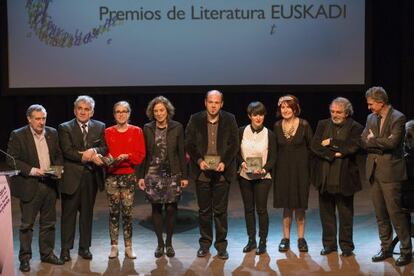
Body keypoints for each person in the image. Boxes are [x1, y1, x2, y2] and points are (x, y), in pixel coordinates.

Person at [7, 104, 64, 272]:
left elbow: (59, 155)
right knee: (27, 225)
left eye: (43, 118)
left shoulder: (52, 133)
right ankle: (25, 258)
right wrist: (32, 171)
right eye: (37, 119)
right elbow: (12, 159)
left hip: (50, 184)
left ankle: (47, 254)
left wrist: (56, 170)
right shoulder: (18, 135)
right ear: (29, 119)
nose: (41, 122)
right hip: (30, 185)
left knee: (49, 223)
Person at [361, 86, 412, 266]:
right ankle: (386, 247)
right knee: (380, 214)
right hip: (374, 171)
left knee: (395, 214)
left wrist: (373, 140)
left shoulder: (398, 117)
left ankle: (406, 251)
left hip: (391, 172)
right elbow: (363, 140)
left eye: (371, 104)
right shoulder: (370, 118)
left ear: (381, 103)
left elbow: (393, 143)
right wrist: (374, 141)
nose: (369, 108)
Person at [185, 90, 239, 259]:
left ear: (221, 104)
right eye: (211, 102)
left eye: (217, 102)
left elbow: (234, 144)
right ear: (205, 103)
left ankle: (221, 246)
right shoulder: (195, 119)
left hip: (222, 173)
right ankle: (205, 244)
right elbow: (189, 143)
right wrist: (199, 160)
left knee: (221, 211)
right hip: (202, 173)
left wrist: (225, 161)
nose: (213, 105)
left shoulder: (229, 119)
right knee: (204, 211)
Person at [311, 97, 363, 257]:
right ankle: (329, 245)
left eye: (338, 112)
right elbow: (315, 146)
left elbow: (352, 147)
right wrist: (335, 154)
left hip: (344, 178)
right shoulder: (322, 124)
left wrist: (331, 142)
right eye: (332, 111)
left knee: (346, 214)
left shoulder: (355, 127)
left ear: (347, 113)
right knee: (326, 214)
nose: (335, 114)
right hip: (325, 177)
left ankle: (346, 247)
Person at [137, 96, 188, 258]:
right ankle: (160, 244)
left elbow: (181, 152)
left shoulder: (177, 127)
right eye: (156, 110)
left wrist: (184, 176)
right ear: (152, 112)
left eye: (162, 110)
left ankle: (169, 243)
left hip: (173, 174)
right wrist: (140, 176)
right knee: (156, 208)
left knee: (172, 209)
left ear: (167, 111)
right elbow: (143, 154)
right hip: (152, 174)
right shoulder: (147, 128)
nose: (159, 113)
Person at [58, 95, 107, 262]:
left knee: (87, 214)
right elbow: (67, 150)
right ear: (74, 110)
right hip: (71, 178)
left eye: (87, 109)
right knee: (68, 215)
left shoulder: (100, 126)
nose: (83, 112)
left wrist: (93, 151)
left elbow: (104, 147)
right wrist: (87, 156)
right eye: (80, 108)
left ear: (92, 112)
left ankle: (84, 248)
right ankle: (65, 249)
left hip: (90, 178)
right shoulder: (65, 127)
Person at [104, 101, 145, 259]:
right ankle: (114, 246)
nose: (121, 114)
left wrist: (126, 157)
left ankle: (128, 246)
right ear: (114, 115)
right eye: (118, 111)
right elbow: (104, 152)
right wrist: (110, 159)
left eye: (124, 111)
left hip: (128, 176)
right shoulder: (107, 132)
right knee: (113, 212)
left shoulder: (137, 131)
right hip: (112, 176)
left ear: (129, 113)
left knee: (127, 213)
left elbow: (140, 155)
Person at [273, 94, 313, 253]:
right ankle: (286, 238)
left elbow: (312, 148)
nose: (285, 110)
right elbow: (273, 150)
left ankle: (301, 239)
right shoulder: (277, 126)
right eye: (282, 107)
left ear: (295, 108)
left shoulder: (304, 125)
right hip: (283, 171)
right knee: (286, 206)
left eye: (288, 107)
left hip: (301, 172)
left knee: (300, 205)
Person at [238, 102, 276, 255]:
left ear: (264, 116)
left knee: (261, 209)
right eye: (255, 114)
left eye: (261, 114)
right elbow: (235, 152)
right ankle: (251, 240)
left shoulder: (270, 134)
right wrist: (241, 162)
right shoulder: (241, 131)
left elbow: (273, 157)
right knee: (248, 209)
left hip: (263, 177)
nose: (258, 117)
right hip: (245, 176)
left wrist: (265, 168)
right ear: (250, 116)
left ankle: (262, 241)